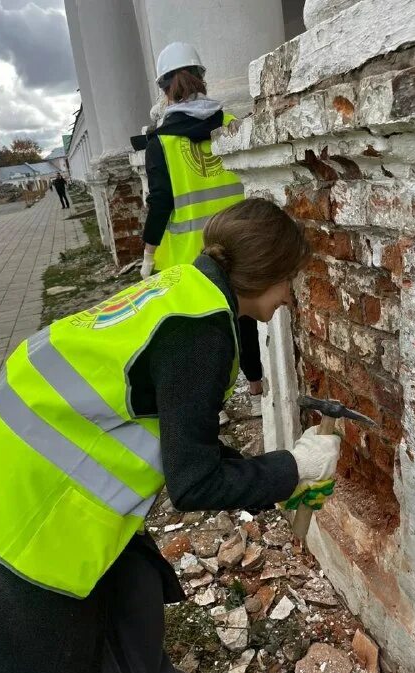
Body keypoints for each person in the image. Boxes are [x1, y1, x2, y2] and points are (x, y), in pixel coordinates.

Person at [0, 199, 341, 673]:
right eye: (287, 281)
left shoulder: (190, 289)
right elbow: (194, 483)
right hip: (18, 506)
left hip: (43, 474)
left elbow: (186, 445)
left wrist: (285, 470)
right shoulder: (200, 334)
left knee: (131, 589)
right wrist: (292, 467)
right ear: (257, 275)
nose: (289, 298)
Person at [140, 42, 264, 417]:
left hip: (189, 257)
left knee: (202, 332)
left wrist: (148, 254)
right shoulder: (231, 126)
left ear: (164, 89)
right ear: (202, 79)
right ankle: (257, 384)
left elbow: (161, 201)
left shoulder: (160, 142)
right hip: (239, 242)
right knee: (242, 314)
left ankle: (216, 404)